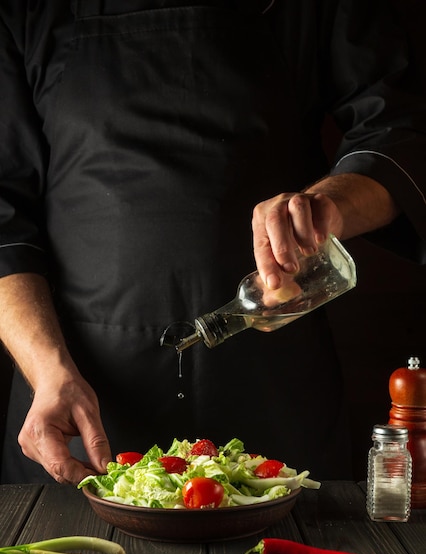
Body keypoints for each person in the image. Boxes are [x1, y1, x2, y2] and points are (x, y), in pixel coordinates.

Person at [0, 0, 425, 485]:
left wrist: (329, 204)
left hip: (274, 393)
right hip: (75, 397)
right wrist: (46, 368)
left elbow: (400, 131)